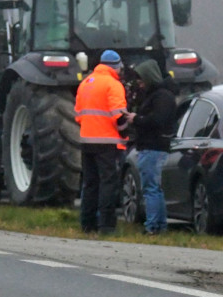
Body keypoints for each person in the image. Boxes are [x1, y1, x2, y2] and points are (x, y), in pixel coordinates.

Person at [74, 49, 128, 235]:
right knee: (108, 183)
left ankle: (87, 224)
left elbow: (78, 114)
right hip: (107, 142)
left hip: (87, 141)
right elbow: (118, 115)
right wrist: (127, 131)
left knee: (90, 183)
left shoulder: (85, 83)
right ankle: (106, 225)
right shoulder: (113, 85)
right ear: (116, 66)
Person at [121, 60, 177, 235]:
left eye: (141, 79)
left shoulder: (160, 97)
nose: (140, 83)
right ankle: (159, 225)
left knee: (150, 188)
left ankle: (152, 226)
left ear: (149, 77)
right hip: (155, 147)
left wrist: (136, 119)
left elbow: (157, 120)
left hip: (152, 147)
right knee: (155, 188)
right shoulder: (163, 95)